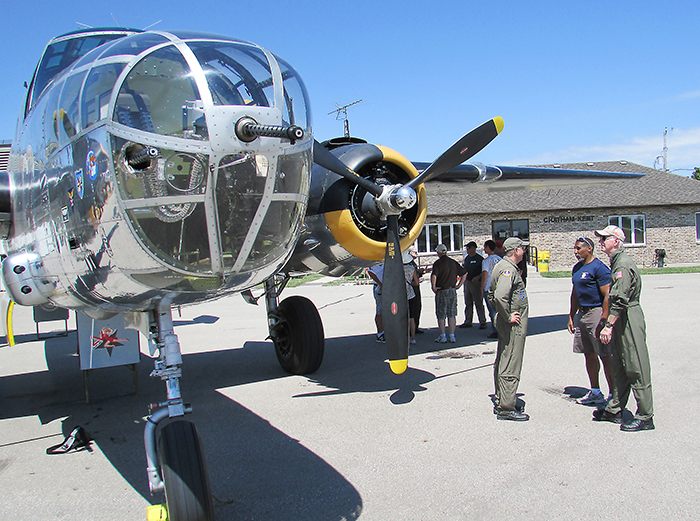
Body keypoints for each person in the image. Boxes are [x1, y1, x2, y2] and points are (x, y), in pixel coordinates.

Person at [593, 225, 655, 431]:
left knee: (635, 364)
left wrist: (608, 325)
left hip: (627, 316)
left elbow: (620, 299)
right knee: (619, 363)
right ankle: (615, 408)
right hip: (621, 316)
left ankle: (645, 415)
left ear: (616, 241)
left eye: (605, 239)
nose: (601, 242)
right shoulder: (616, 262)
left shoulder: (623, 265)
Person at [567, 237, 614, 405]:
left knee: (605, 354)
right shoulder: (577, 268)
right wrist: (572, 315)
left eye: (579, 248)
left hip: (596, 312)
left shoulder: (599, 268)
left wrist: (604, 319)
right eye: (575, 248)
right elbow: (575, 293)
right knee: (589, 354)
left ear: (590, 249)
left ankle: (614, 395)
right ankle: (595, 392)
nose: (575, 252)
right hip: (583, 313)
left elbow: (608, 295)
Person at [489, 237, 529, 421]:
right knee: (511, 360)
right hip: (512, 323)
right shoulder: (507, 269)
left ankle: (503, 398)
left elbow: (492, 294)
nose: (524, 251)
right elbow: (499, 296)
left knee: (505, 357)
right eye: (522, 248)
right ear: (515, 250)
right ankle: (506, 406)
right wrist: (507, 316)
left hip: (508, 322)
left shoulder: (504, 266)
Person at [431, 244, 466, 343]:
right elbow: (464, 273)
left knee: (441, 314)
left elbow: (434, 276)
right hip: (452, 290)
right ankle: (452, 335)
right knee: (452, 314)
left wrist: (433, 287)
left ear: (438, 252)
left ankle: (443, 336)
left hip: (441, 290)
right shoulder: (453, 262)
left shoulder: (438, 263)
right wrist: (459, 285)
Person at [460, 241, 487, 329]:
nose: (467, 250)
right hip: (467, 282)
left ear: (473, 249)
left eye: (468, 248)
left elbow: (484, 272)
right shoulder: (467, 258)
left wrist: (478, 277)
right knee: (468, 302)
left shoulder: (480, 259)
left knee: (478, 303)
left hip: (476, 283)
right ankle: (468, 321)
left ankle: (482, 321)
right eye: (466, 249)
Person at [481, 240, 501, 339]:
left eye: (485, 247)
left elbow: (485, 274)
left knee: (492, 310)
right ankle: (502, 329)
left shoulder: (486, 261)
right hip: (499, 287)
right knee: (500, 309)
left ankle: (496, 330)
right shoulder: (500, 259)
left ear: (488, 247)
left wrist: (482, 287)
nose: (484, 249)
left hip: (489, 287)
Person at [403, 250, 420, 344]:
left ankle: (404, 337)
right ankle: (413, 338)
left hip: (401, 294)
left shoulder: (398, 268)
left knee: (402, 318)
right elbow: (416, 283)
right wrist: (410, 283)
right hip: (411, 293)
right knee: (412, 317)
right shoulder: (411, 267)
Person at [408, 246, 425, 334]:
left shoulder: (412, 263)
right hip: (412, 287)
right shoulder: (408, 263)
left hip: (416, 287)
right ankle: (411, 329)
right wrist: (418, 272)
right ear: (410, 253)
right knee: (412, 309)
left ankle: (416, 327)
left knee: (418, 307)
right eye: (415, 252)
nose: (416, 254)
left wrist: (420, 273)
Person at [367, 263, 384, 343]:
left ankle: (385, 331)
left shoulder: (384, 262)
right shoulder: (373, 264)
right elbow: (370, 272)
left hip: (386, 287)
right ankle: (380, 333)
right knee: (380, 310)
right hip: (379, 287)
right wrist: (380, 284)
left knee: (385, 311)